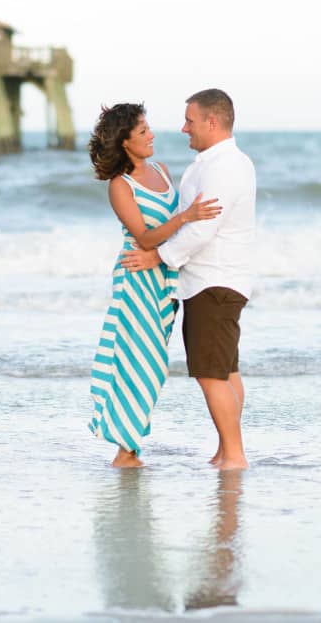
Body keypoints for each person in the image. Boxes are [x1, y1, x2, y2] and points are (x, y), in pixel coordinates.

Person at [120, 88, 256, 470]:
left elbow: (202, 231)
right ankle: (226, 449)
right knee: (226, 371)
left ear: (212, 122)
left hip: (212, 282)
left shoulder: (223, 167)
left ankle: (234, 454)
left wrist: (156, 257)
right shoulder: (214, 163)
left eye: (190, 121)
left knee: (211, 375)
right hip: (217, 280)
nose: (183, 129)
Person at [87, 103, 222, 468]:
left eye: (149, 128)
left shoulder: (161, 171)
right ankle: (125, 450)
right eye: (143, 131)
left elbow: (173, 236)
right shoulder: (120, 186)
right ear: (125, 141)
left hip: (164, 280)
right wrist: (187, 215)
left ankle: (129, 449)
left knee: (154, 364)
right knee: (139, 362)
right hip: (137, 281)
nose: (152, 136)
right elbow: (146, 238)